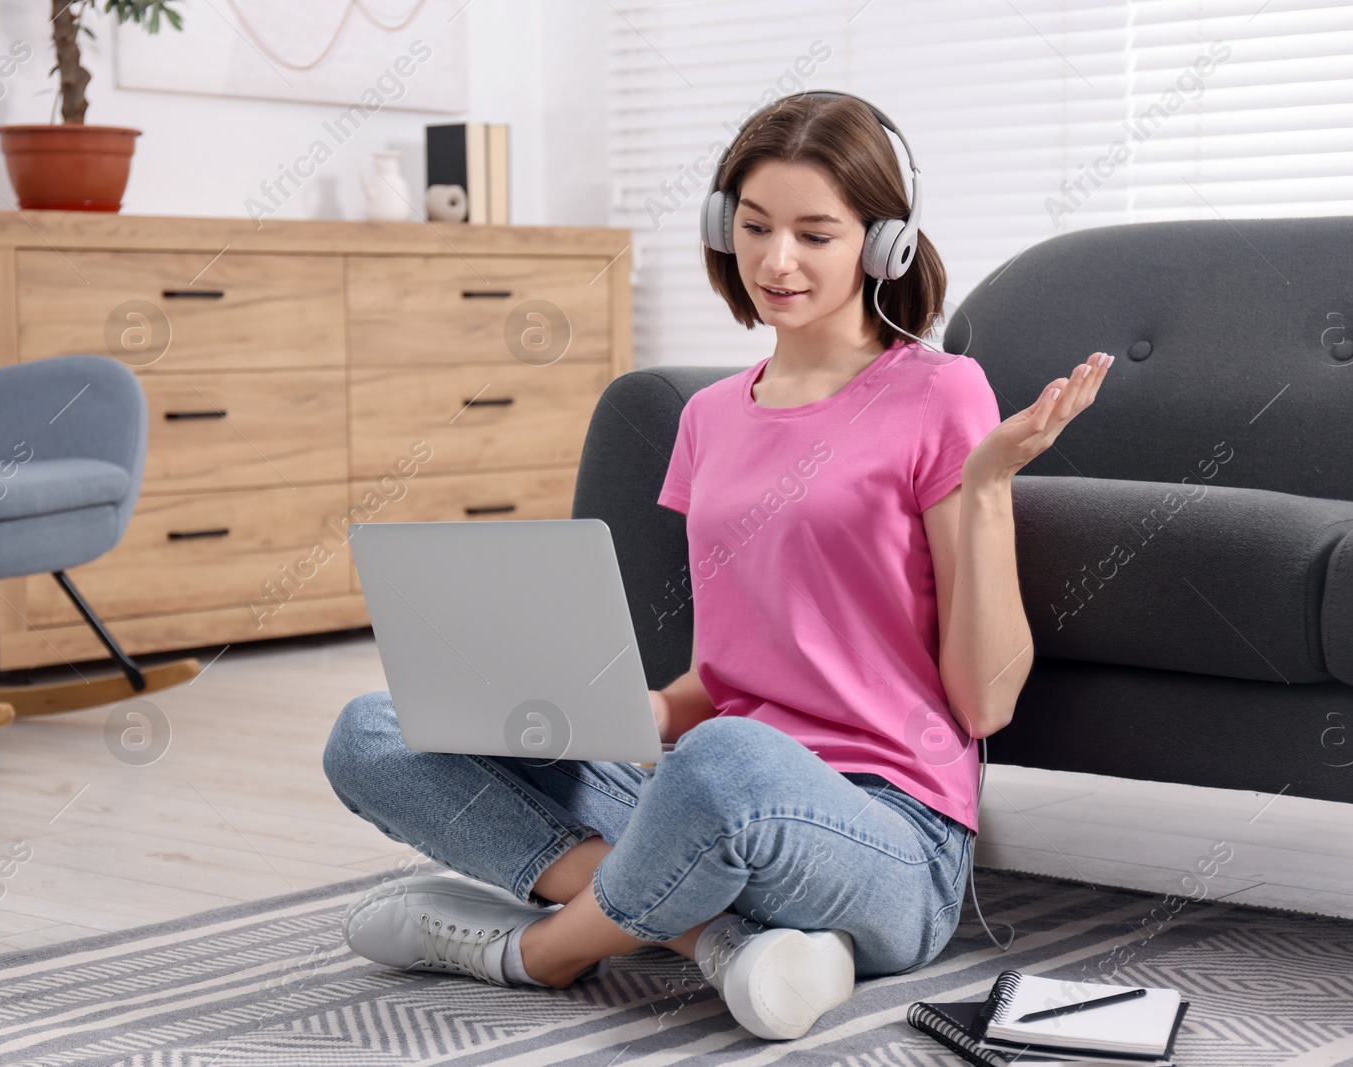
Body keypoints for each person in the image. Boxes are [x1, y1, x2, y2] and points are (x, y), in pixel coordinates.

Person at [321, 90, 1110, 1043]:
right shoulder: (708, 419)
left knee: (723, 763)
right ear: (720, 229)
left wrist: (986, 486)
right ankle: (715, 937)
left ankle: (539, 951)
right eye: (756, 227)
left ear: (883, 244)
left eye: (816, 233)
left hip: (888, 837)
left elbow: (983, 706)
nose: (779, 261)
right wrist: (595, 708)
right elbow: (728, 674)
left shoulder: (943, 393)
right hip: (697, 794)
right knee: (373, 731)